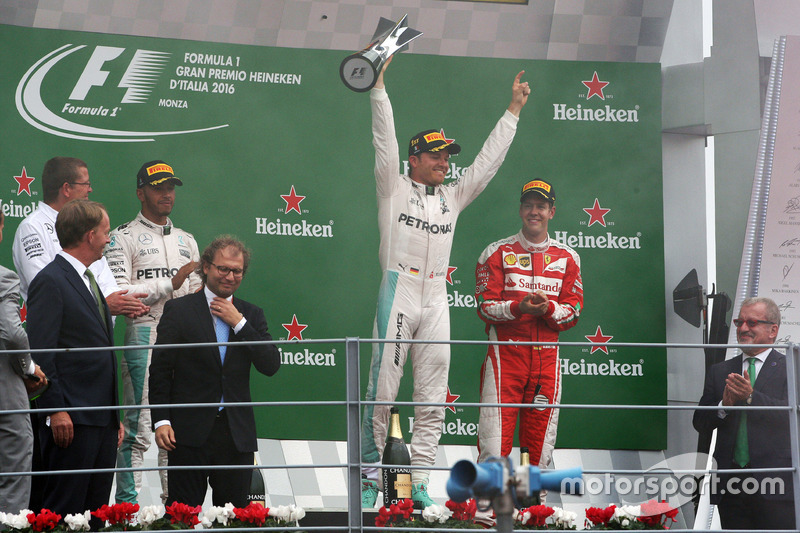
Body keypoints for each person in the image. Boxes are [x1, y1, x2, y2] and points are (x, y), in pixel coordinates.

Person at [360, 56, 531, 509]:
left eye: (447, 155)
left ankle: (417, 481)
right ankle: (369, 475)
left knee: (433, 397)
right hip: (397, 291)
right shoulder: (392, 187)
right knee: (382, 390)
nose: (444, 161)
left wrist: (511, 113)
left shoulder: (453, 196)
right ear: (413, 159)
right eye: (435, 155)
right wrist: (378, 88)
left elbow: (486, 166)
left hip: (435, 296)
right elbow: (384, 141)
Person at [149, 236, 280, 507]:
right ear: (206, 267)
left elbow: (270, 365)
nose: (230, 276)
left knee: (233, 521)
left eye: (237, 271)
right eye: (223, 268)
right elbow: (161, 369)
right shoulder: (179, 310)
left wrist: (239, 323)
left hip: (235, 436)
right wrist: (161, 420)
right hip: (187, 435)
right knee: (180, 519)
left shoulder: (251, 315)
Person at [104, 160, 201, 504]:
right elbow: (117, 294)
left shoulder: (187, 240)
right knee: (138, 430)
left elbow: (197, 295)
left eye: (170, 187)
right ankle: (126, 512)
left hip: (184, 344)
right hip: (144, 335)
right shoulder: (121, 237)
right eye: (158, 187)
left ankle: (177, 513)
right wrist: (170, 284)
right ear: (140, 192)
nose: (166, 194)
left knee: (176, 431)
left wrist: (189, 292)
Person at [25, 200, 123, 522]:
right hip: (71, 421)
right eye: (106, 233)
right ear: (90, 235)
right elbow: (42, 353)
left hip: (101, 421)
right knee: (64, 514)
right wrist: (55, 409)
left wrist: (114, 415)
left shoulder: (89, 280)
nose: (109, 240)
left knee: (95, 516)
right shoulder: (50, 280)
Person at [475, 179, 582, 469]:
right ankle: (488, 515)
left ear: (552, 212)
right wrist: (516, 308)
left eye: (541, 206)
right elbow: (484, 307)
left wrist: (548, 310)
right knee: (494, 446)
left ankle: (535, 513)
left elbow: (573, 312)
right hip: (505, 360)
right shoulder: (496, 253)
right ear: (521, 210)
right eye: (528, 205)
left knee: (540, 450)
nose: (534, 211)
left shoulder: (568, 257)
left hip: (546, 362)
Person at [693, 297, 794, 530]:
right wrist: (723, 406)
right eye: (739, 322)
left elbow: (793, 418)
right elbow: (700, 422)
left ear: (773, 330)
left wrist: (750, 398)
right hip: (731, 483)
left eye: (752, 322)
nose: (743, 328)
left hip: (776, 483)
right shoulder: (721, 371)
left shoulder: (792, 367)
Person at [12, 156, 148, 317]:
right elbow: (45, 288)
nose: (90, 190)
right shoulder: (32, 227)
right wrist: (102, 305)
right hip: (63, 334)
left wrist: (123, 303)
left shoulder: (87, 225)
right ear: (66, 188)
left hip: (98, 334)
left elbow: (106, 283)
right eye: (86, 184)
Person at [0, 210, 46, 513]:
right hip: (5, 391)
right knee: (13, 479)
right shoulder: (4, 278)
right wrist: (29, 367)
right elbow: (12, 334)